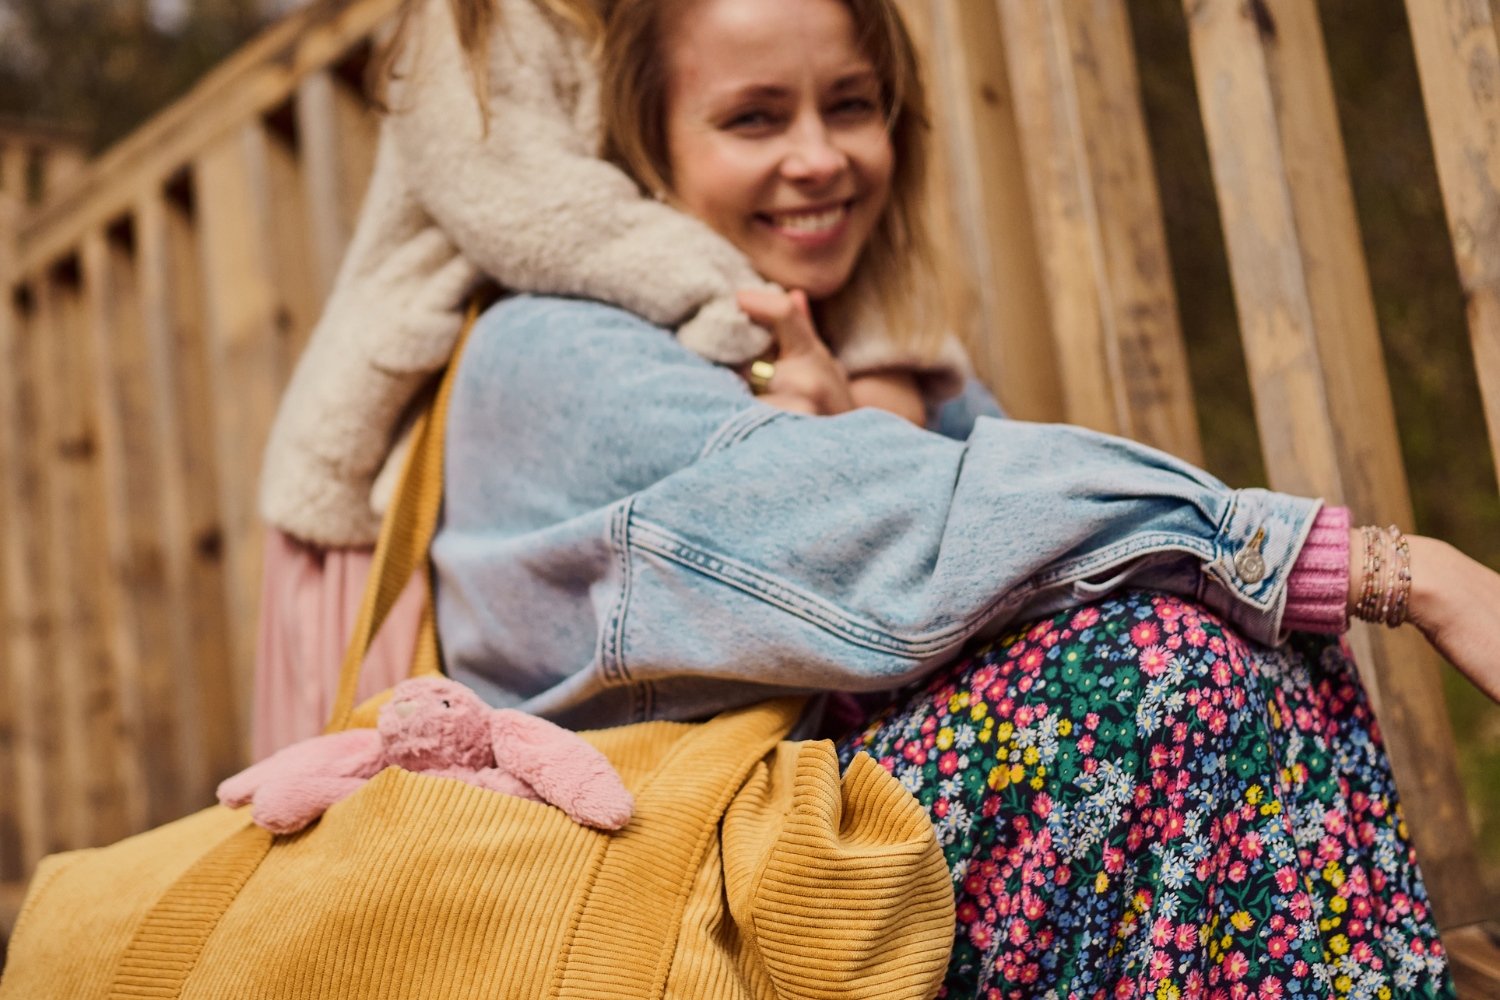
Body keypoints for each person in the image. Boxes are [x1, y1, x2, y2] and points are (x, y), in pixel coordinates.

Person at [404, 0, 1500, 995]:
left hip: (842, 881)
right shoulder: (548, 351)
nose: (817, 158)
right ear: (647, 151)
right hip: (675, 908)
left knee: (1243, 627)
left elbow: (1065, 540)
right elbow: (915, 525)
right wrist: (1395, 570)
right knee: (1157, 668)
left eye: (850, 105)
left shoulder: (891, 364)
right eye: (752, 119)